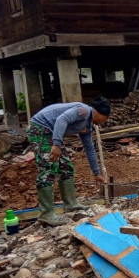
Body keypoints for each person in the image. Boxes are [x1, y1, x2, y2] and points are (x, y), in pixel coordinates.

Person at [27, 96, 110, 226]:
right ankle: (46, 214)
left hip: (50, 132)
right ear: (98, 113)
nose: (105, 121)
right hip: (40, 129)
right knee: (48, 168)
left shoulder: (87, 125)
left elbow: (89, 148)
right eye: (105, 117)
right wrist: (56, 144)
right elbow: (62, 119)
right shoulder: (83, 111)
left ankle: (71, 204)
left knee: (66, 167)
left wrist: (96, 173)